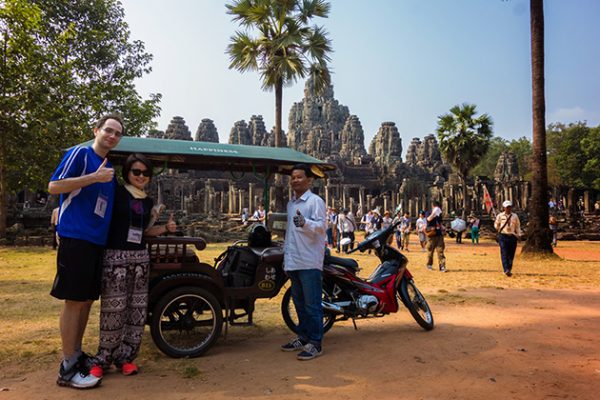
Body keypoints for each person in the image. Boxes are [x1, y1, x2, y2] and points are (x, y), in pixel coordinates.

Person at [47, 114, 124, 389]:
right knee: (73, 301)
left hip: (96, 242)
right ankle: (67, 367)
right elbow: (54, 186)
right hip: (76, 238)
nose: (112, 136)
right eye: (108, 130)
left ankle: (77, 354)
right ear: (97, 130)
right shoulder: (81, 154)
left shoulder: (110, 168)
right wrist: (93, 177)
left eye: (117, 133)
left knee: (87, 300)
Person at [90, 154, 176, 378]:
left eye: (145, 173)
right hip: (115, 257)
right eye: (136, 172)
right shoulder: (116, 192)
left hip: (139, 258)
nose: (141, 176)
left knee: (136, 310)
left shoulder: (147, 201)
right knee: (113, 309)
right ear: (127, 172)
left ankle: (126, 357)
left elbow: (145, 232)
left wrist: (166, 228)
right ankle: (104, 357)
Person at [281, 164, 327, 361]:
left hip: (309, 260)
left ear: (309, 180)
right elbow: (291, 233)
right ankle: (303, 336)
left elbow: (322, 227)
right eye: (293, 177)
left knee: (312, 305)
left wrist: (305, 223)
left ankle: (315, 343)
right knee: (299, 303)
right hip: (294, 260)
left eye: (299, 177)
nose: (295, 180)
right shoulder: (291, 204)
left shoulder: (315, 201)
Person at [494, 200, 523, 277]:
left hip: (512, 236)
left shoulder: (515, 216)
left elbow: (518, 226)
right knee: (504, 253)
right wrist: (498, 228)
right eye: (507, 207)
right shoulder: (500, 216)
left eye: (509, 207)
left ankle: (509, 269)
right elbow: (496, 225)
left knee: (511, 254)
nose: (508, 209)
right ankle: (505, 269)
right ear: (504, 208)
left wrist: (519, 235)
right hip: (503, 236)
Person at [425, 200, 446, 272]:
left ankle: (442, 266)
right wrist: (434, 213)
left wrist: (443, 227)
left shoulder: (439, 214)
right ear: (433, 206)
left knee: (440, 250)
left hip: (439, 234)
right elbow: (428, 219)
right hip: (431, 234)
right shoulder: (429, 213)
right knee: (430, 250)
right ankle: (429, 265)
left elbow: (440, 223)